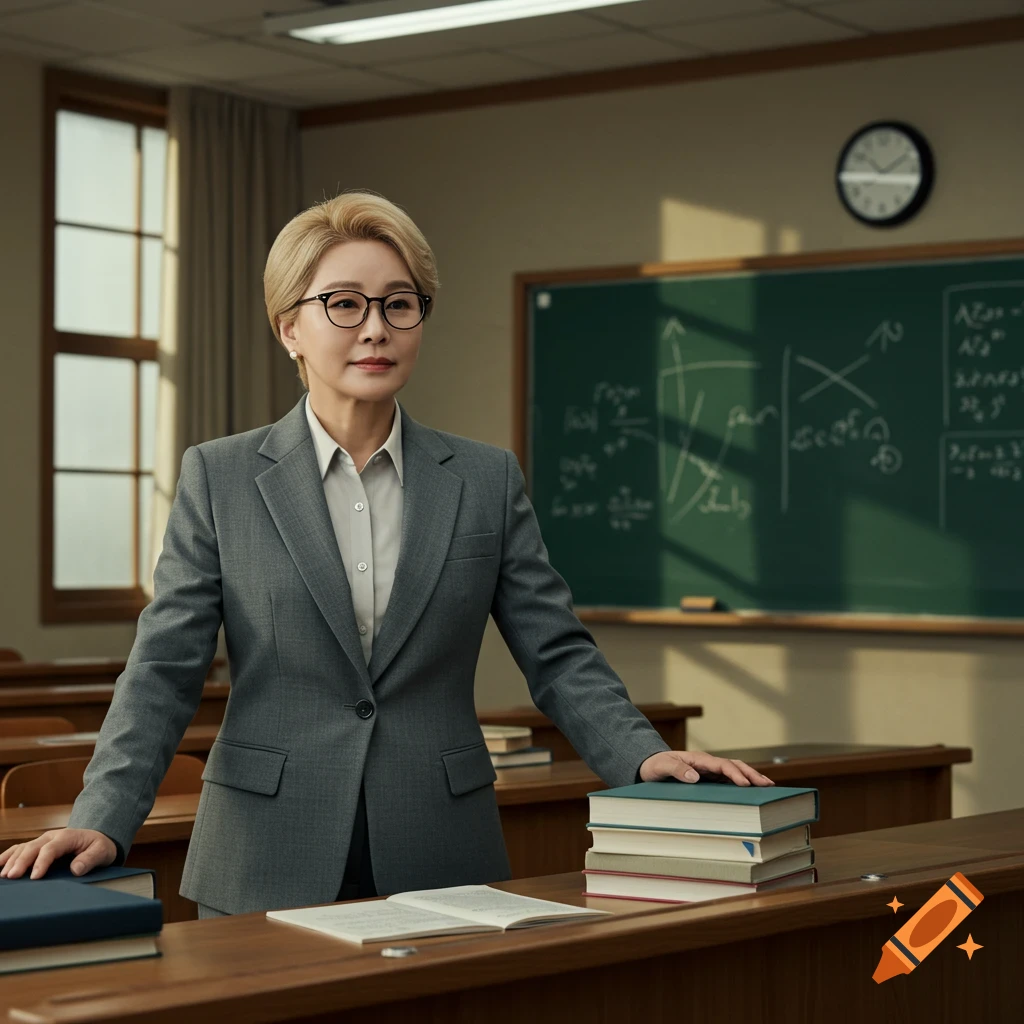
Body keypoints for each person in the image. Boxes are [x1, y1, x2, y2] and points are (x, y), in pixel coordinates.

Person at [0, 192, 773, 916]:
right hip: (265, 848)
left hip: (440, 843)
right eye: (344, 304)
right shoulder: (220, 477)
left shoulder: (484, 479)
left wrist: (641, 756)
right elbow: (163, 670)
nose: (375, 328)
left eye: (399, 304)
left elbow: (559, 654)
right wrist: (102, 816)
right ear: (289, 327)